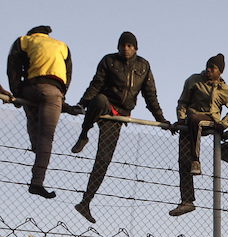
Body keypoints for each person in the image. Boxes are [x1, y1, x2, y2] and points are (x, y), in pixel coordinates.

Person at [72, 32, 170, 223]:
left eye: (129, 46)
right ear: (118, 47)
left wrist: (161, 119)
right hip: (104, 106)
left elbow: (150, 95)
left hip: (120, 115)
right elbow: (96, 84)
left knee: (103, 159)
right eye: (122, 45)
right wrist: (82, 104)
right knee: (99, 99)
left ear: (135, 48)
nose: (125, 49)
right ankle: (84, 134)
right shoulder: (109, 61)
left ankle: (85, 202)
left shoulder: (143, 65)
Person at [7, 25, 74, 198]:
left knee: (33, 119)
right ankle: (37, 182)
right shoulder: (62, 46)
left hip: (31, 88)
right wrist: (61, 99)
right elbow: (67, 75)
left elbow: (13, 69)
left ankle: (37, 151)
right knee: (47, 137)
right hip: (54, 92)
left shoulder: (24, 40)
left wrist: (16, 95)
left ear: (33, 34)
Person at [169, 54, 228, 216]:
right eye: (207, 66)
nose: (208, 70)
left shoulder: (225, 90)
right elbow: (183, 102)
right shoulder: (194, 80)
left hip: (209, 121)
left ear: (219, 72)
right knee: (182, 159)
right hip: (189, 123)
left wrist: (224, 123)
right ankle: (187, 200)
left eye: (212, 68)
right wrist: (180, 119)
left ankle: (196, 159)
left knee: (195, 119)